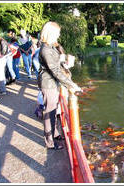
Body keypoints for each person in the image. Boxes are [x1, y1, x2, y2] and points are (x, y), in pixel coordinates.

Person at [38, 21, 82, 150]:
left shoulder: (50, 47)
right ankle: (50, 142)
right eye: (57, 33)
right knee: (50, 112)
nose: (58, 36)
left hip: (53, 82)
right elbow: (55, 71)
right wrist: (71, 84)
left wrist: (65, 64)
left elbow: (57, 64)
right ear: (50, 33)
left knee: (54, 109)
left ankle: (55, 133)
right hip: (48, 83)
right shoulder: (46, 50)